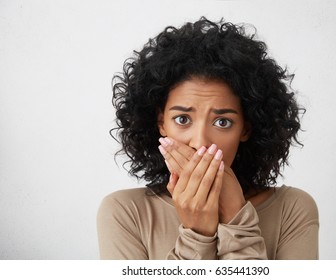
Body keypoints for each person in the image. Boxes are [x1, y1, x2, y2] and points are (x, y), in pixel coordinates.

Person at [97, 17, 319, 260]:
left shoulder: (292, 209)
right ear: (161, 123)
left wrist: (237, 219)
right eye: (182, 119)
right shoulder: (124, 212)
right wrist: (197, 234)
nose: (200, 142)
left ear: (245, 129)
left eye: (222, 122)